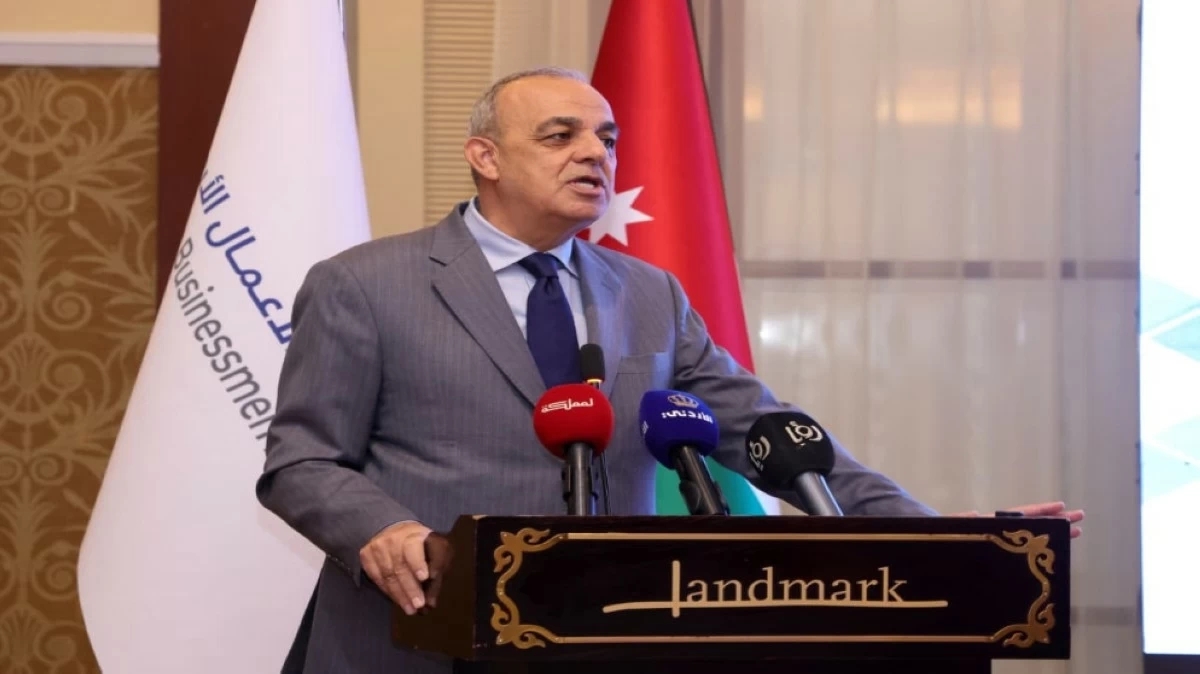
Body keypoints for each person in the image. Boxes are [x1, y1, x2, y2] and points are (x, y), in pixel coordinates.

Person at [256, 67, 1084, 674]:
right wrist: (383, 530)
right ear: (486, 157)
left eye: (607, 139)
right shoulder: (366, 285)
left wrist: (932, 536)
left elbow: (769, 436)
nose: (595, 153)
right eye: (561, 136)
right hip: (416, 641)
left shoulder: (648, 294)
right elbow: (301, 461)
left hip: (601, 640)